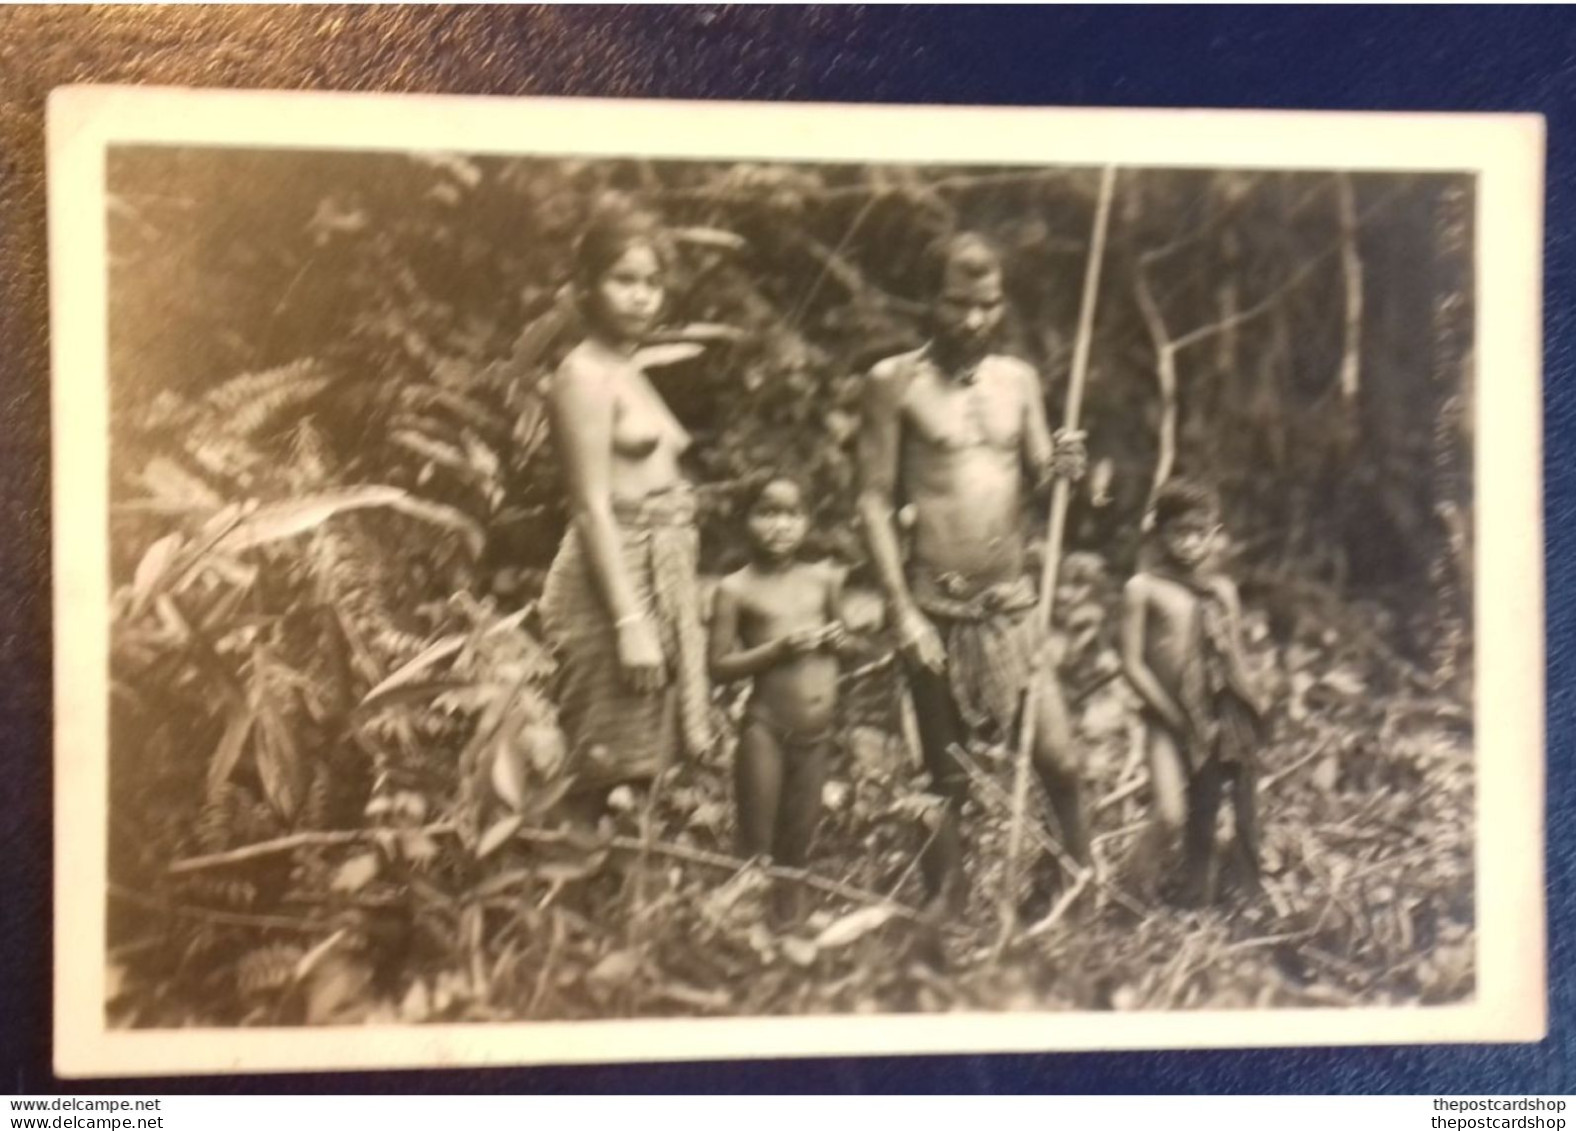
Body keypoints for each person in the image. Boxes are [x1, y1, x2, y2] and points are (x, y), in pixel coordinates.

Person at [855, 232, 1089, 916]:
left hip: (1010, 605)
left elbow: (1044, 478)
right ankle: (944, 910)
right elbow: (870, 499)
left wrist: (1064, 470)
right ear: (929, 300)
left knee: (1061, 762)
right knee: (943, 777)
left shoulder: (1019, 380)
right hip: (936, 605)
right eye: (958, 304)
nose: (975, 321)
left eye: (988, 305)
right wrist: (901, 611)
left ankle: (1069, 892)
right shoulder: (892, 383)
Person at [540, 201, 711, 802]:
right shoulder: (581, 375)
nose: (641, 297)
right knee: (601, 775)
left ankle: (631, 897)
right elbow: (590, 506)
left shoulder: (627, 369)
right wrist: (630, 622)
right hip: (608, 590)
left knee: (643, 783)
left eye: (652, 283)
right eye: (624, 280)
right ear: (587, 287)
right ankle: (571, 893)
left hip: (655, 571)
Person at [708, 476, 852, 923]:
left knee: (798, 847)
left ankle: (790, 934)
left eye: (791, 515)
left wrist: (838, 639)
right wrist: (778, 650)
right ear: (746, 520)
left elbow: (847, 646)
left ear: (807, 522)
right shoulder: (735, 589)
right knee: (758, 848)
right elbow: (718, 666)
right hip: (765, 729)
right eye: (767, 513)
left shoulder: (823, 580)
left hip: (817, 734)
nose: (780, 526)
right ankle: (743, 934)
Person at [1119, 479, 1266, 907]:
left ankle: (1197, 896)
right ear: (1160, 534)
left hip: (1215, 716)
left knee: (1207, 813)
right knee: (1170, 813)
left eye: (1199, 533)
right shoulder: (1143, 588)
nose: (1189, 543)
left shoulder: (1222, 591)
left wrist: (1249, 709)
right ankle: (1128, 889)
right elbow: (1132, 664)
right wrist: (1173, 716)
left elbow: (1235, 657)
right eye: (1179, 532)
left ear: (1214, 535)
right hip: (1165, 719)